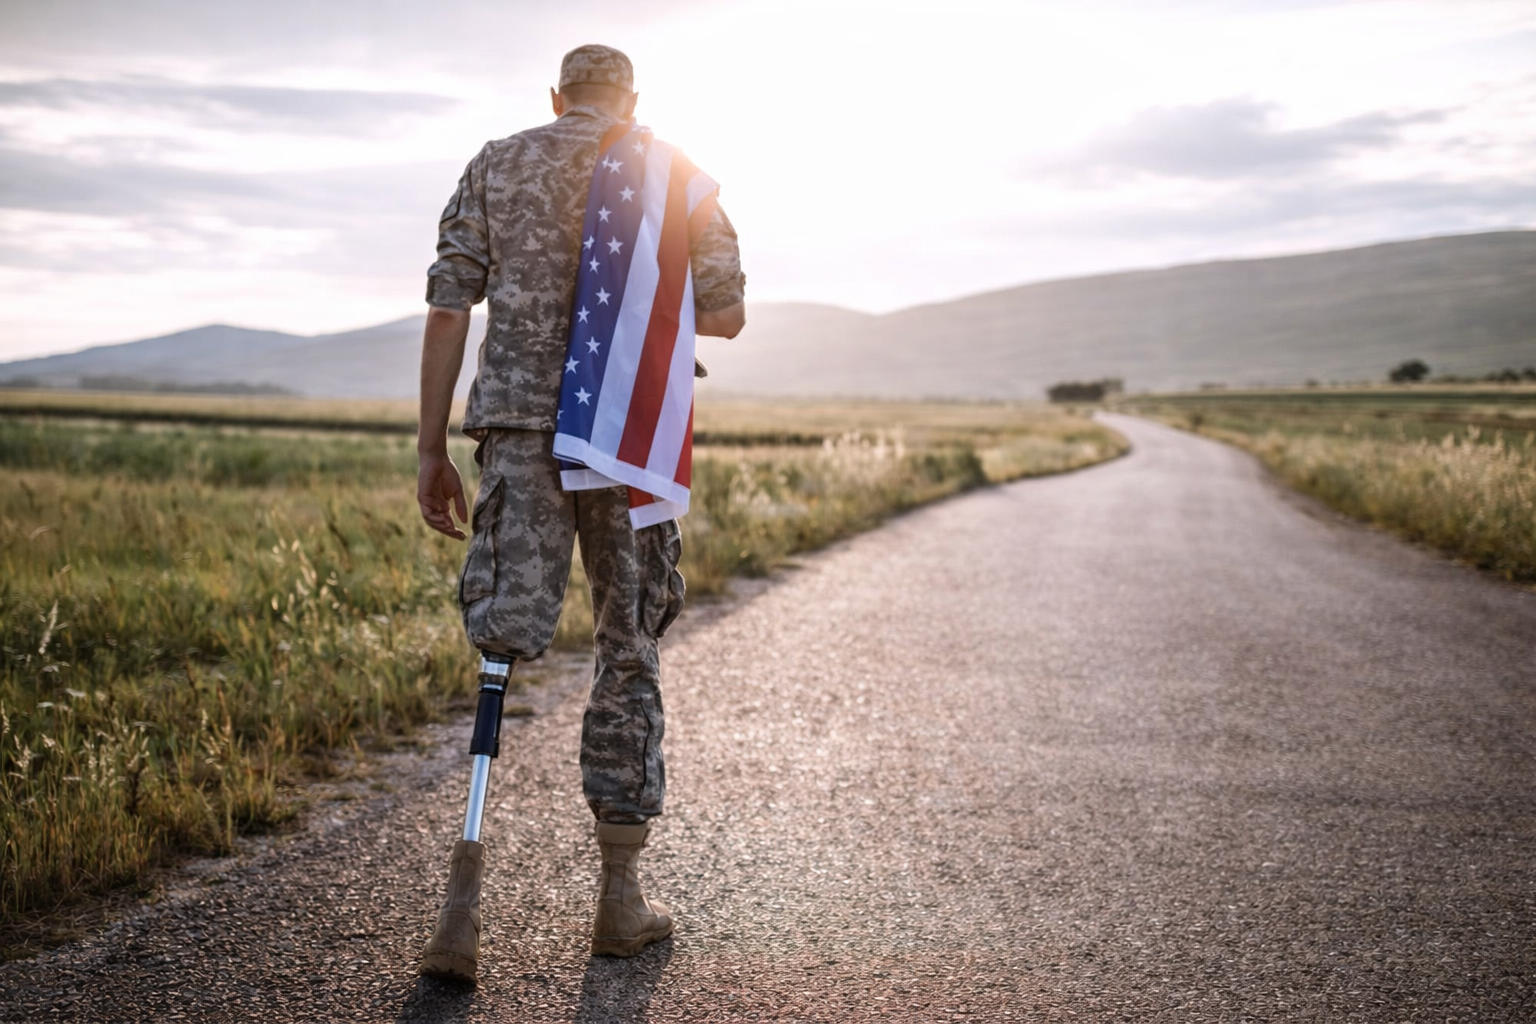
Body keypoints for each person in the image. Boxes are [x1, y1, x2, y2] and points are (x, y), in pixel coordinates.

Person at [413, 44, 745, 982]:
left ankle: (462, 913)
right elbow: (724, 314)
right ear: (632, 101)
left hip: (518, 434)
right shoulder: (670, 171)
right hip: (626, 437)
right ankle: (620, 900)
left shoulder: (497, 161)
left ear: (556, 97)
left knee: (499, 649)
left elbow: (448, 308)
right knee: (627, 645)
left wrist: (433, 446)